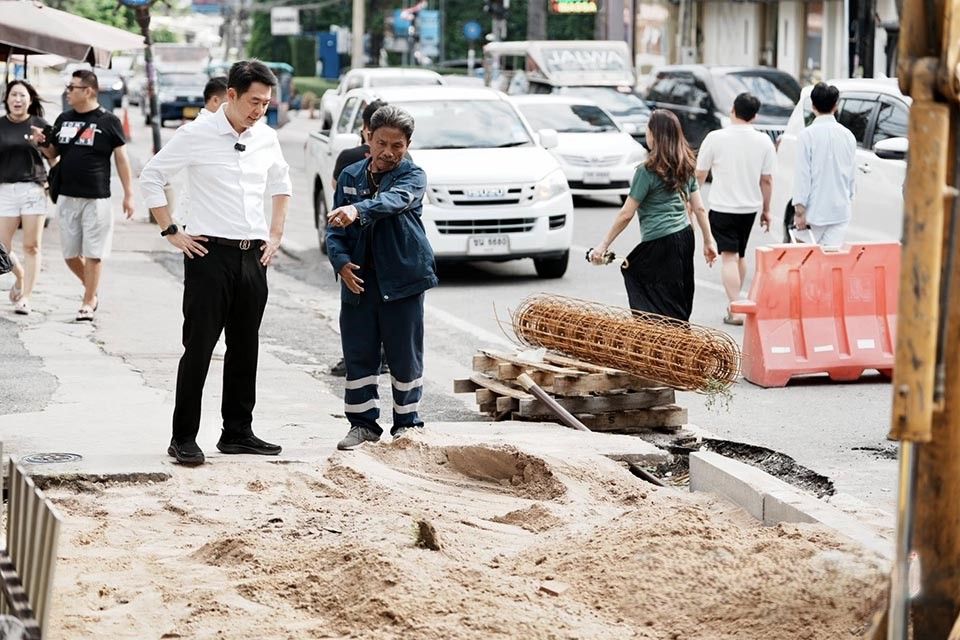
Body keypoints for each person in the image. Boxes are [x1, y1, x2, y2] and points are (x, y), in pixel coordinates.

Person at [139, 60, 292, 466]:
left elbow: (281, 185)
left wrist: (275, 236)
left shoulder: (267, 138)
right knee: (200, 347)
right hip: (209, 254)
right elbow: (151, 176)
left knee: (246, 347)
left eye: (266, 103)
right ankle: (183, 437)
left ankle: (238, 432)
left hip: (253, 254)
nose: (259, 110)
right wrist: (171, 230)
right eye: (253, 102)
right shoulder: (197, 133)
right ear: (231, 95)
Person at [326, 105, 438, 451]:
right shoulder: (350, 176)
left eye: (398, 145)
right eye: (382, 143)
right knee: (359, 354)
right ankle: (363, 425)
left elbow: (393, 202)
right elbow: (332, 231)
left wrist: (357, 210)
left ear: (408, 145)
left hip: (402, 280)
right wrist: (342, 264)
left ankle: (407, 424)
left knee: (404, 354)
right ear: (368, 138)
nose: (389, 152)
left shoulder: (412, 177)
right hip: (358, 282)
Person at [591, 109, 717, 322]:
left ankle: (656, 342)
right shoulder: (686, 165)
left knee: (637, 277)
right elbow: (699, 208)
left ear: (655, 136)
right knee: (677, 296)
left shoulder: (646, 171)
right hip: (685, 237)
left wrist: (602, 246)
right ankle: (679, 343)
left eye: (648, 131)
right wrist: (708, 241)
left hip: (659, 241)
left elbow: (626, 214)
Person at [33, 69, 135, 321]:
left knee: (93, 252)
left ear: (88, 91)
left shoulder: (108, 121)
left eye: (72, 88)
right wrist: (42, 143)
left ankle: (88, 301)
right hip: (67, 195)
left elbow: (121, 160)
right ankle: (93, 288)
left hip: (97, 197)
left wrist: (129, 194)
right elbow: (53, 154)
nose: (67, 92)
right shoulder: (64, 118)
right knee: (69, 254)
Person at [695, 92, 776, 325]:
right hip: (749, 208)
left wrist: (693, 199)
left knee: (729, 258)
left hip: (722, 206)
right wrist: (766, 210)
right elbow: (767, 180)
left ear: (733, 110)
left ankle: (736, 309)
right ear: (755, 116)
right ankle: (736, 304)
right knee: (740, 255)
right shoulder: (763, 141)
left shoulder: (715, 137)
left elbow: (700, 173)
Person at [328, 99, 388, 377]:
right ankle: (358, 359)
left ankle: (378, 358)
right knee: (356, 313)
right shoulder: (350, 162)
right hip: (356, 255)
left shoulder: (406, 168)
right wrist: (339, 259)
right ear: (366, 131)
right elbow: (336, 209)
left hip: (387, 256)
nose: (386, 150)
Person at [0, 80, 50, 316]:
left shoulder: (39, 125)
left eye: (22, 95)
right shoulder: (0, 125)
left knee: (32, 246)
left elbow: (54, 157)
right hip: (4, 189)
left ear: (30, 99)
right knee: (2, 247)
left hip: (33, 188)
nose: (17, 100)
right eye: (13, 95)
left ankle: (26, 297)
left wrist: (43, 143)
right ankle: (19, 275)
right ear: (6, 99)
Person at [792, 82, 857, 246]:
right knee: (830, 263)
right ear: (836, 106)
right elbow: (851, 175)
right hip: (840, 210)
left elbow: (803, 176)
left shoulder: (807, 136)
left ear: (813, 106)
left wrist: (799, 211)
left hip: (814, 212)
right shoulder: (848, 135)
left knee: (806, 262)